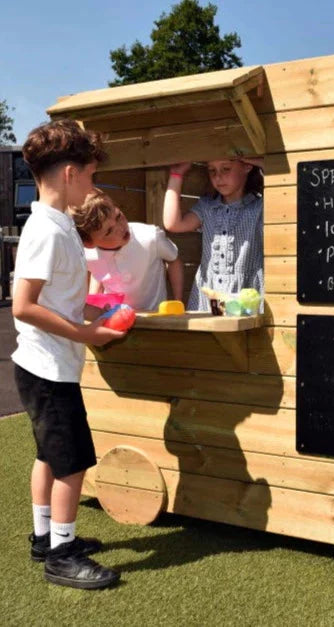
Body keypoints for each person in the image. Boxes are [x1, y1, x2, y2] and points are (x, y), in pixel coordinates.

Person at [12, 119, 125, 590]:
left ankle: (44, 538)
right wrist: (86, 334)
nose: (93, 186)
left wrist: (97, 310)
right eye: (92, 176)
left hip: (43, 366)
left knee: (50, 457)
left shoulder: (57, 226)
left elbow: (54, 296)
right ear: (70, 173)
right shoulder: (49, 230)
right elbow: (24, 304)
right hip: (49, 368)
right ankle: (61, 554)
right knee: (73, 463)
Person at [163, 158, 263, 311]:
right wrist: (176, 175)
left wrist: (256, 160)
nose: (218, 177)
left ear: (248, 166)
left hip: (245, 297)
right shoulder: (207, 207)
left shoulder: (259, 207)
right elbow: (173, 224)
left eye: (226, 169)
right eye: (212, 170)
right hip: (208, 297)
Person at [71, 189, 184, 310]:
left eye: (118, 216)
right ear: (89, 243)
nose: (121, 227)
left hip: (153, 317)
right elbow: (97, 270)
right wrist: (94, 301)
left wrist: (178, 302)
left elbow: (173, 260)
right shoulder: (86, 254)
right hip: (114, 318)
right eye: (109, 231)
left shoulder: (150, 237)